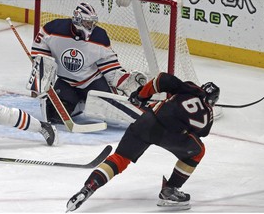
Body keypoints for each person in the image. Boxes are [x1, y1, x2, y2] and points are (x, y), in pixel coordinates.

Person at [66, 72, 220, 211]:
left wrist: (141, 96)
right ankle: (170, 189)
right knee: (198, 152)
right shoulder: (209, 115)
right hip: (172, 136)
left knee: (120, 158)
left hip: (147, 122)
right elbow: (201, 133)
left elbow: (162, 79)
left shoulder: (191, 88)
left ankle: (89, 187)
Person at [30, 2, 146, 124]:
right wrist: (43, 71)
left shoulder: (99, 37)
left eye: (92, 23)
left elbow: (110, 67)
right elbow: (39, 49)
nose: (91, 26)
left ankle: (145, 116)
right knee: (53, 115)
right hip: (66, 82)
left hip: (92, 82)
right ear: (77, 20)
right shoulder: (53, 29)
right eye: (87, 22)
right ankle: (79, 104)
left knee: (111, 112)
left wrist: (124, 80)